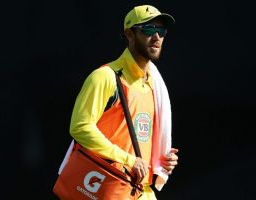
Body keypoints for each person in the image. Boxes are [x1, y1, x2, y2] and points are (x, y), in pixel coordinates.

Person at [68, 4, 178, 200]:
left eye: (161, 31)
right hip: (107, 187)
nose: (157, 37)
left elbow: (138, 137)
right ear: (129, 34)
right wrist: (128, 160)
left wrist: (160, 160)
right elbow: (80, 127)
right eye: (149, 29)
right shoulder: (105, 77)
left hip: (139, 191)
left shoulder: (154, 86)